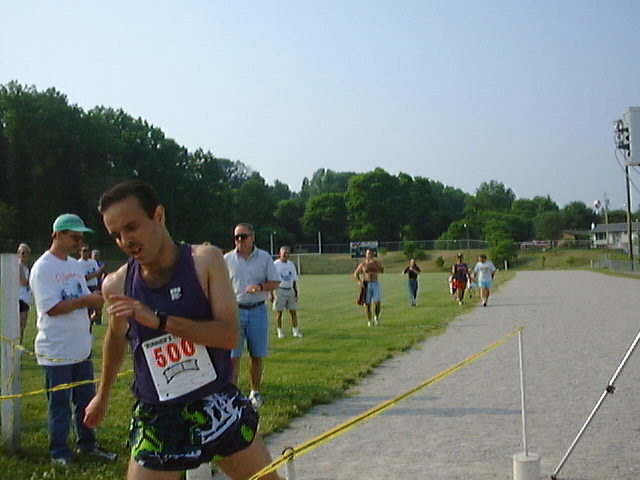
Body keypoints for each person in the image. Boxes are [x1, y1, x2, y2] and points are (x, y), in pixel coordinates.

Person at [84, 181, 282, 480]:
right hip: (159, 415)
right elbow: (115, 338)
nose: (126, 241)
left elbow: (228, 335)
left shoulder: (205, 261)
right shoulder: (117, 285)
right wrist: (102, 395)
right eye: (116, 235)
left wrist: (161, 321)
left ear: (158, 216)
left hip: (216, 404)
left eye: (132, 227)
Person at [29, 213, 116, 466]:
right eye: (75, 237)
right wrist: (86, 300)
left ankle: (88, 444)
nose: (79, 243)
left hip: (81, 347)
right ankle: (59, 452)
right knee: (60, 405)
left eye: (81, 238)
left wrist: (94, 303)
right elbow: (51, 308)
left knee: (86, 402)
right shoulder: (43, 268)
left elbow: (80, 295)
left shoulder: (74, 266)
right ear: (57, 235)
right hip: (56, 350)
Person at [224, 223, 280, 408]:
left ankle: (254, 392)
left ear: (252, 237)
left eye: (243, 236)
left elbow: (275, 282)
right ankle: (232, 395)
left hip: (257, 310)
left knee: (256, 354)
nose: (239, 240)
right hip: (235, 311)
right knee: (233, 356)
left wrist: (260, 287)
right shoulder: (227, 259)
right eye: (236, 237)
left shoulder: (264, 257)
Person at [271, 246, 302, 339]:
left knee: (293, 312)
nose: (286, 255)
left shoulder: (291, 264)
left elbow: (294, 279)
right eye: (284, 253)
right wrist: (270, 293)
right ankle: (280, 331)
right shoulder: (275, 264)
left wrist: (295, 291)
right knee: (279, 312)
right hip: (279, 290)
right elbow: (270, 279)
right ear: (280, 254)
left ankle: (295, 331)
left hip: (290, 290)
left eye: (288, 253)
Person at [353, 248, 384, 326]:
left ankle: (376, 317)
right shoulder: (363, 264)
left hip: (375, 283)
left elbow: (382, 271)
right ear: (366, 255)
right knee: (367, 303)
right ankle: (369, 320)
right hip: (367, 284)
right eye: (368, 253)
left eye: (371, 253)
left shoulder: (376, 263)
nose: (369, 255)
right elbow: (356, 273)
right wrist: (359, 281)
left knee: (377, 301)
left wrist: (377, 265)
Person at [78, 244, 105, 326]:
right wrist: (96, 273)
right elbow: (85, 277)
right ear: (80, 252)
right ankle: (87, 326)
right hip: (86, 287)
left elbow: (98, 274)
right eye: (83, 251)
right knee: (88, 310)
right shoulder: (79, 263)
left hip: (95, 287)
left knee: (98, 310)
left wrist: (97, 273)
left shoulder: (93, 262)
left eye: (87, 251)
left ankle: (90, 323)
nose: (85, 253)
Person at [17, 243, 33, 344]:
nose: (23, 255)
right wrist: (33, 280)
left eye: (26, 252)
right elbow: (23, 282)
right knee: (19, 326)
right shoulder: (19, 266)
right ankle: (17, 345)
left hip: (26, 298)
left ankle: (20, 344)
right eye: (22, 252)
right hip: (20, 298)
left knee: (23, 326)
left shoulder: (26, 267)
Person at [91, 249, 107, 324]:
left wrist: (102, 280)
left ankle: (98, 320)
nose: (96, 257)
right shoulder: (89, 264)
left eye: (97, 255)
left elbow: (105, 273)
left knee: (99, 302)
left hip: (99, 284)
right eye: (95, 255)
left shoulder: (101, 264)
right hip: (91, 285)